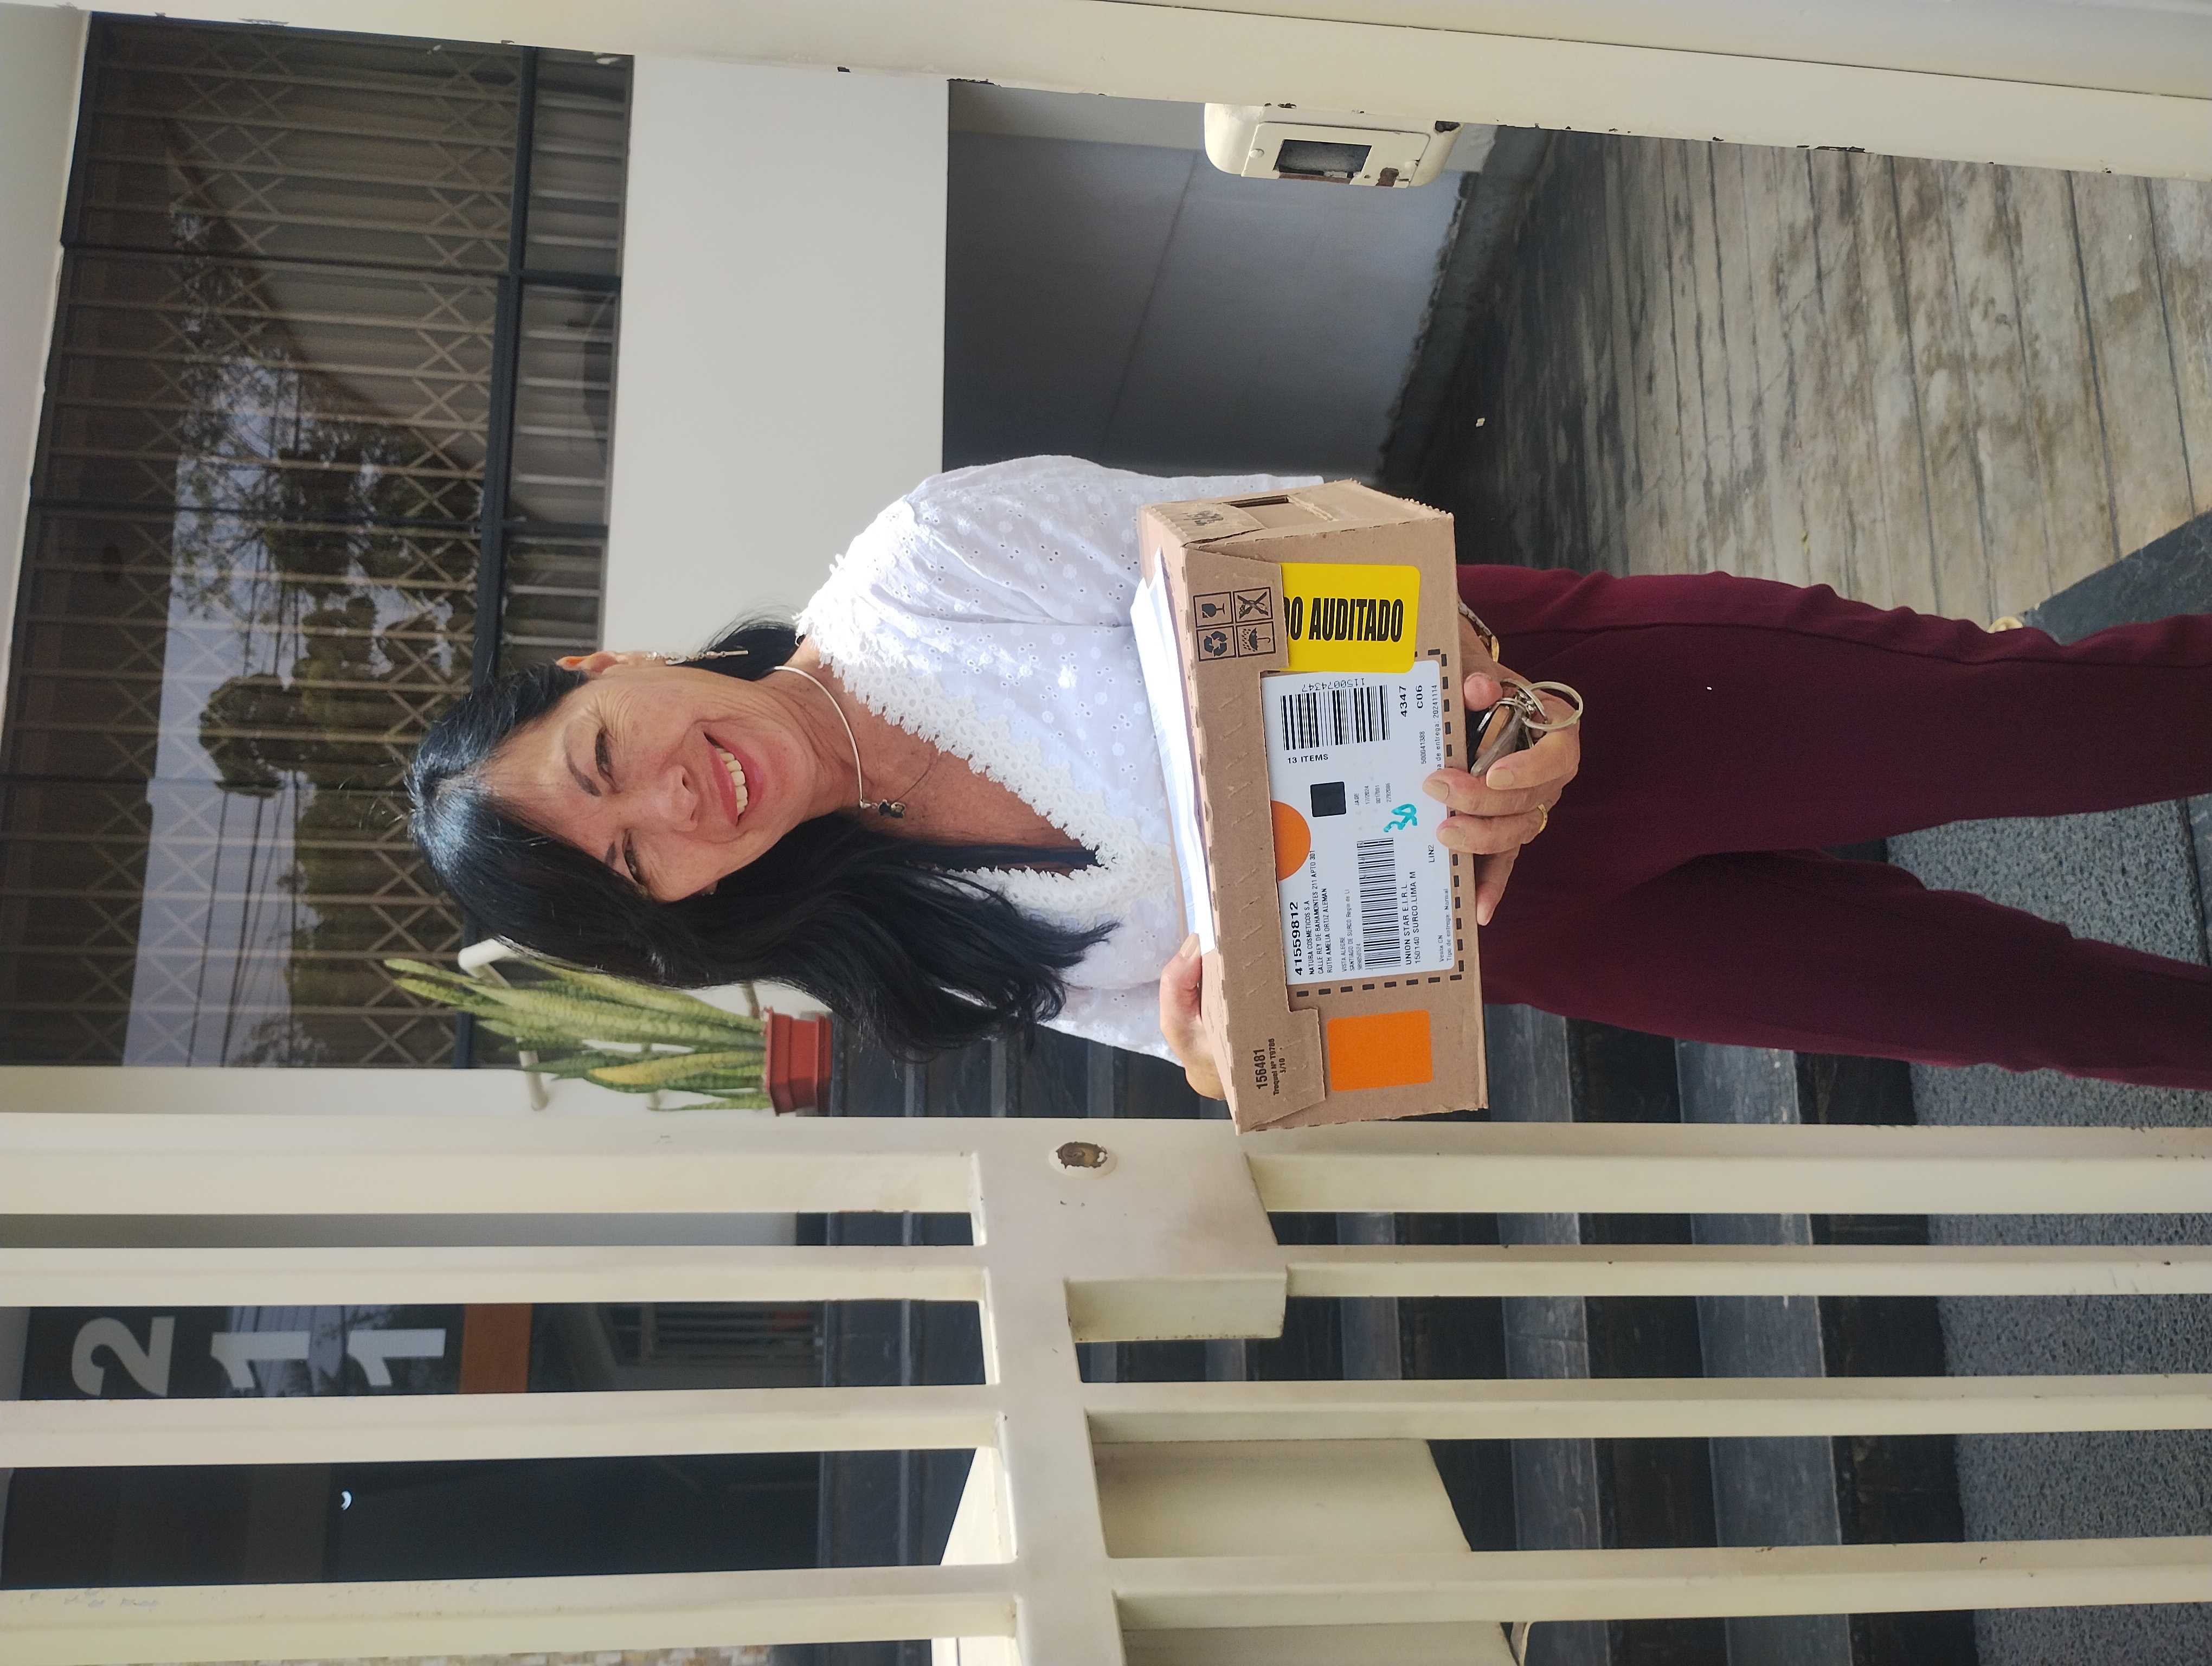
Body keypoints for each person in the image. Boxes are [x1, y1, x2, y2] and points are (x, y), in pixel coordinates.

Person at [409, 456, 2212, 1095]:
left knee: (2069, 728)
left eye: (605, 759)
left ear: (609, 667)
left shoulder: (926, 570)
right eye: (632, 863)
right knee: (2000, 1009)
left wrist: (1501, 710)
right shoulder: (901, 945)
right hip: (1521, 933)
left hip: (1568, 701)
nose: (674, 806)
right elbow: (1208, 1033)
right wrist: (1222, 1058)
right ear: (681, 916)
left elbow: (1306, 531)